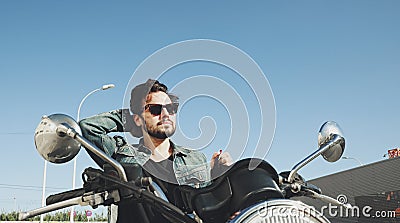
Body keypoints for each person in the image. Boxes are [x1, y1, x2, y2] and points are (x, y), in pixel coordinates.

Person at [79, 79, 232, 223]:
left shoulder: (195, 159)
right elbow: (88, 127)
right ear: (137, 119)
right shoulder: (121, 155)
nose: (166, 114)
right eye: (155, 109)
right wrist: (131, 119)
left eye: (171, 108)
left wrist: (218, 176)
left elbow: (211, 210)